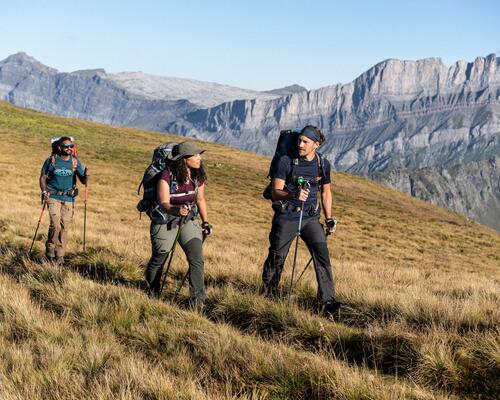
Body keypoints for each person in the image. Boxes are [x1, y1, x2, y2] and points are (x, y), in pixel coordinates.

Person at [262, 125, 340, 314]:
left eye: (305, 142)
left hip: (311, 218)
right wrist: (293, 194)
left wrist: (329, 219)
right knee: (277, 256)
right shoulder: (286, 161)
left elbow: (326, 193)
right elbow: (275, 191)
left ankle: (327, 302)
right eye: (299, 140)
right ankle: (268, 296)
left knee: (321, 253)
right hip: (287, 216)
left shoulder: (323, 164)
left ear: (316, 144)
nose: (300, 144)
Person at [145, 142, 212, 309]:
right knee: (160, 256)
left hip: (188, 220)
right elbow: (164, 203)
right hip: (165, 220)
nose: (199, 158)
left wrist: (205, 222)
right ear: (183, 159)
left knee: (196, 259)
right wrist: (176, 210)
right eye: (195, 155)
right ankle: (151, 291)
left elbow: (200, 200)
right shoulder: (167, 175)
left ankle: (198, 303)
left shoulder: (197, 176)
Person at [39, 137, 89, 265]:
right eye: (66, 146)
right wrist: (44, 191)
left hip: (68, 198)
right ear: (60, 147)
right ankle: (50, 246)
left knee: (65, 226)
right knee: (55, 224)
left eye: (71, 146)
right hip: (53, 196)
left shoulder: (75, 162)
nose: (69, 149)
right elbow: (43, 177)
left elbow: (83, 181)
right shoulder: (52, 160)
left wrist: (86, 175)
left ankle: (59, 255)